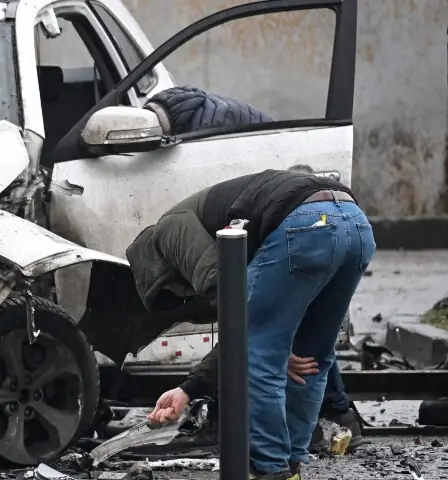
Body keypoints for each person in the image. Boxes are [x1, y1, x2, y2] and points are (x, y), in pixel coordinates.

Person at [125, 169, 376, 480]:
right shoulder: (210, 219)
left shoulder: (168, 231)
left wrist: (191, 387)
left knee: (258, 358)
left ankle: (271, 469)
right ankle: (292, 466)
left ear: (161, 273)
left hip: (306, 226)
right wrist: (189, 389)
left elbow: (234, 310)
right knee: (313, 358)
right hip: (354, 224)